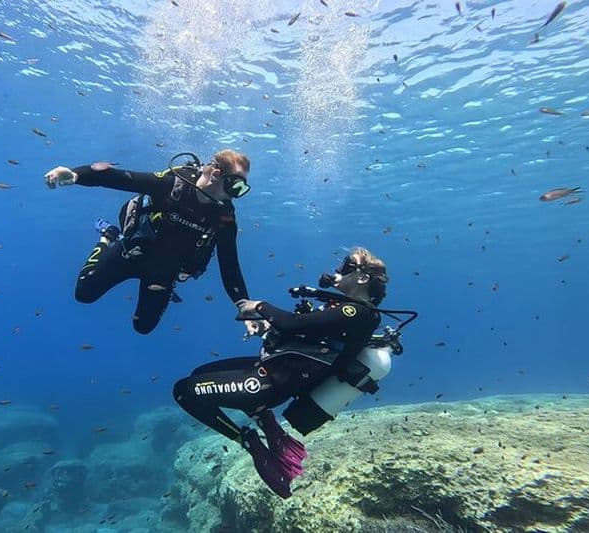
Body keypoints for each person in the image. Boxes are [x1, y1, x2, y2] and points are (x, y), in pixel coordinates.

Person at [173, 248, 393, 498]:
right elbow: (305, 338)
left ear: (363, 278)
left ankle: (248, 441)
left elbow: (293, 324)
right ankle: (265, 421)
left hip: (270, 383)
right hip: (273, 369)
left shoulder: (357, 312)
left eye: (346, 265)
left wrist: (259, 306)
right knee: (200, 373)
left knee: (183, 391)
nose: (338, 270)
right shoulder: (345, 310)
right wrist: (265, 328)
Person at [44, 150, 261, 335]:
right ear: (216, 174)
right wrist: (74, 174)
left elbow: (229, 264)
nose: (235, 195)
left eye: (242, 190)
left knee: (143, 327)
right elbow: (119, 178)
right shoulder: (173, 185)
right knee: (83, 294)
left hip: (163, 274)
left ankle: (159, 286)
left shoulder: (224, 216)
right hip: (130, 253)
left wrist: (243, 305)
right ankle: (107, 238)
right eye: (235, 186)